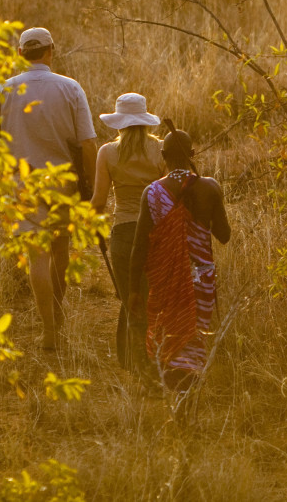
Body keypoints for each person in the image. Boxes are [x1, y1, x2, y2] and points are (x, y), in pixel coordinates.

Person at [0, 26, 98, 351]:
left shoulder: (6, 89)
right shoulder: (71, 88)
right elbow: (88, 143)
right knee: (61, 250)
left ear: (20, 54)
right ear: (51, 50)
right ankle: (57, 314)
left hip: (23, 186)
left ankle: (48, 330)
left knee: (37, 258)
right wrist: (93, 186)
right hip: (63, 183)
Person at [129, 124, 230, 389]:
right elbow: (224, 235)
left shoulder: (151, 193)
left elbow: (139, 247)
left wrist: (133, 291)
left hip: (165, 280)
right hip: (202, 281)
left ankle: (175, 398)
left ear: (163, 156)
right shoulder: (209, 187)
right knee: (193, 339)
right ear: (193, 154)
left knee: (170, 338)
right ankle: (188, 398)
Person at [90, 93, 166, 369]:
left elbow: (98, 201)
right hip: (155, 234)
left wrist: (95, 227)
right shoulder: (160, 150)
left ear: (119, 123)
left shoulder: (107, 153)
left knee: (130, 299)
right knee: (152, 299)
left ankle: (139, 367)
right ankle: (154, 361)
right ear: (145, 120)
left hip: (123, 233)